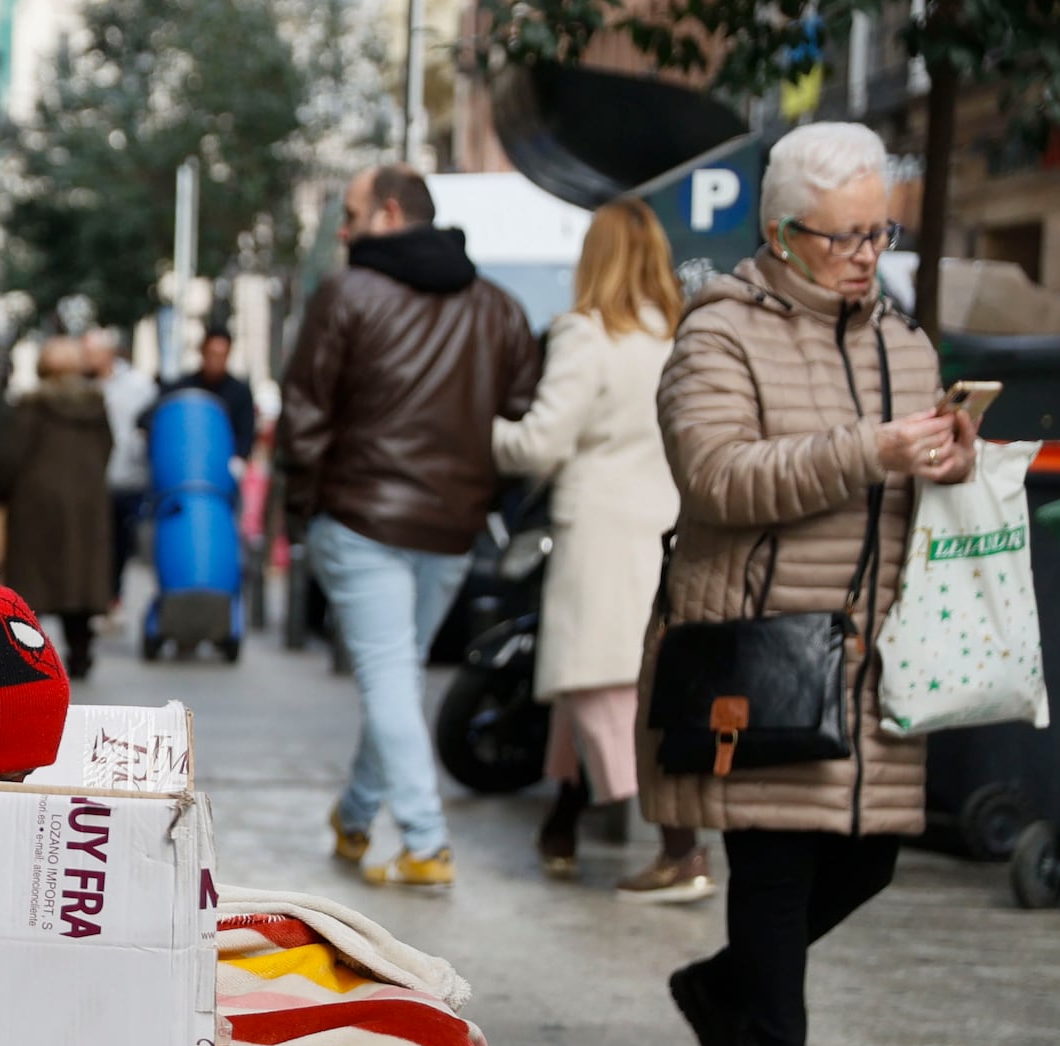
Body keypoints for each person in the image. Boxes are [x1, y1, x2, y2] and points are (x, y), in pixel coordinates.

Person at [649, 123, 974, 1046]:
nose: (865, 257)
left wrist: (946, 458)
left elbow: (906, 482)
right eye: (842, 238)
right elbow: (718, 477)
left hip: (874, 649)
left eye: (877, 234)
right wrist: (869, 451)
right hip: (756, 643)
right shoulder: (718, 333)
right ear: (781, 234)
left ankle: (720, 987)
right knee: (776, 867)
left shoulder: (905, 340)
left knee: (869, 857)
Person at [277, 164, 540, 889]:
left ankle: (426, 842)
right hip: (454, 525)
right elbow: (520, 412)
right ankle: (356, 817)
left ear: (390, 213)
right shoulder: (499, 307)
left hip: (360, 516)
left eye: (353, 214)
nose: (343, 229)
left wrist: (300, 510)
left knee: (390, 676)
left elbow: (304, 415)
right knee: (394, 673)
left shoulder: (345, 294)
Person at [489, 199, 711, 901]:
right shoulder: (678, 336)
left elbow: (540, 443)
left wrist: (485, 432)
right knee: (616, 679)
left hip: (600, 535)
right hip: (665, 530)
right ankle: (561, 823)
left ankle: (682, 850)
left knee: (600, 689)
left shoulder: (586, 334)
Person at [0, 337, 114, 681]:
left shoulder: (32, 405)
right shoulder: (96, 405)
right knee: (80, 582)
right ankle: (81, 653)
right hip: (86, 504)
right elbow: (107, 447)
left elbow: (13, 455)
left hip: (36, 504)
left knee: (33, 584)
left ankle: (28, 656)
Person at [85, 327, 157, 590]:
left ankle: (113, 594)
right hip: (93, 478)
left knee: (120, 542)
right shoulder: (84, 386)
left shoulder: (138, 385)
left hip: (127, 476)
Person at [157, 326, 257, 462]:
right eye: (212, 354)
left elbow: (246, 434)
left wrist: (238, 460)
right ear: (202, 352)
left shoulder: (240, 392)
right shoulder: (181, 388)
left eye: (221, 355)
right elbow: (155, 413)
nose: (215, 361)